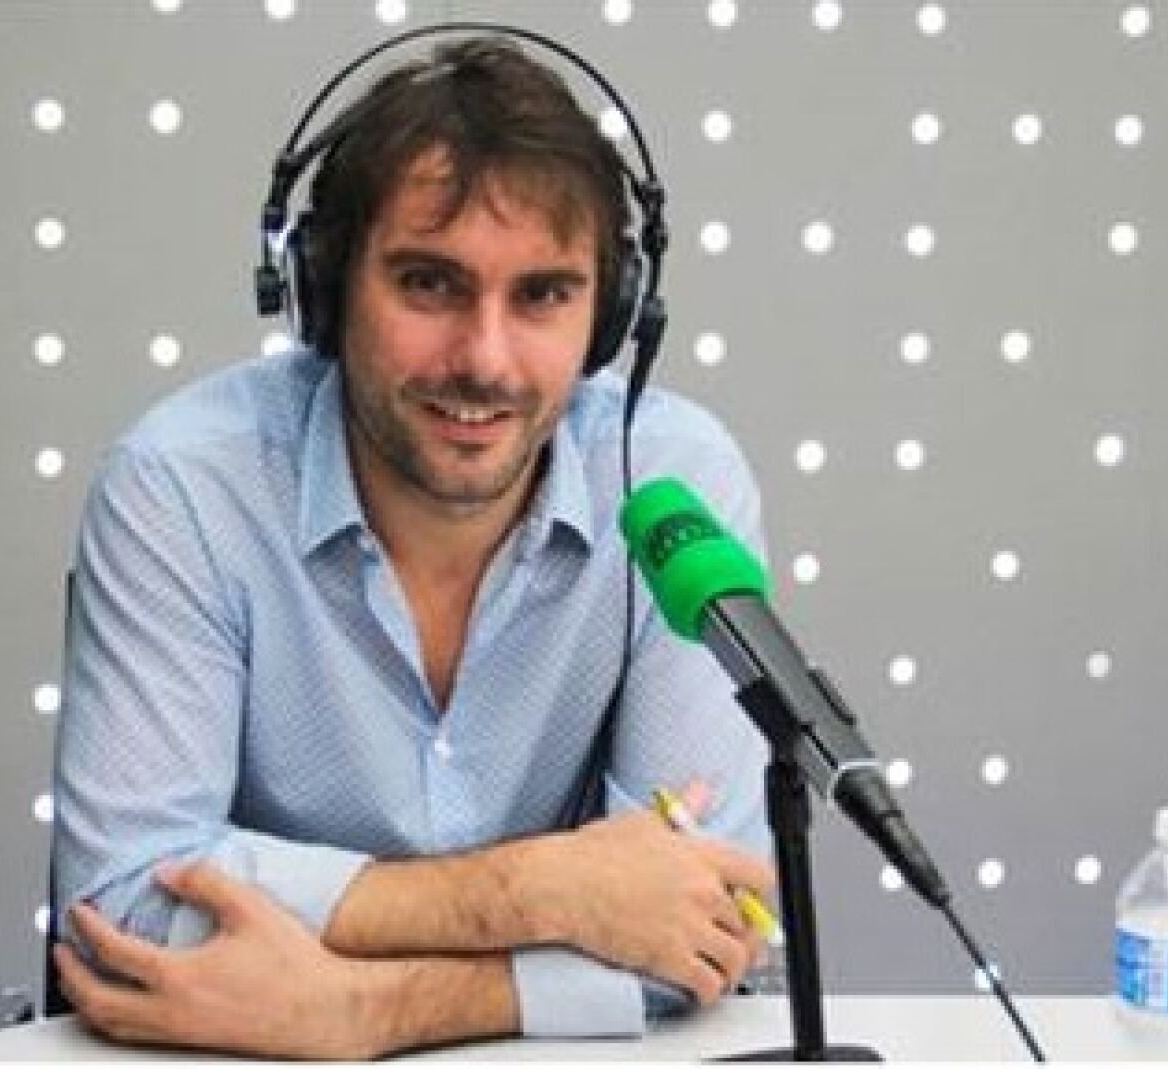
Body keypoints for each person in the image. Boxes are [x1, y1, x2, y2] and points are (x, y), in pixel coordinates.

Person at [51, 32, 777, 1058]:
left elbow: (703, 926)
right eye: (430, 283)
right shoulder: (180, 485)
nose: (484, 359)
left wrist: (368, 1011)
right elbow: (126, 902)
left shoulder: (670, 481)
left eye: (543, 294)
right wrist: (537, 891)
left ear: (611, 315)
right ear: (324, 288)